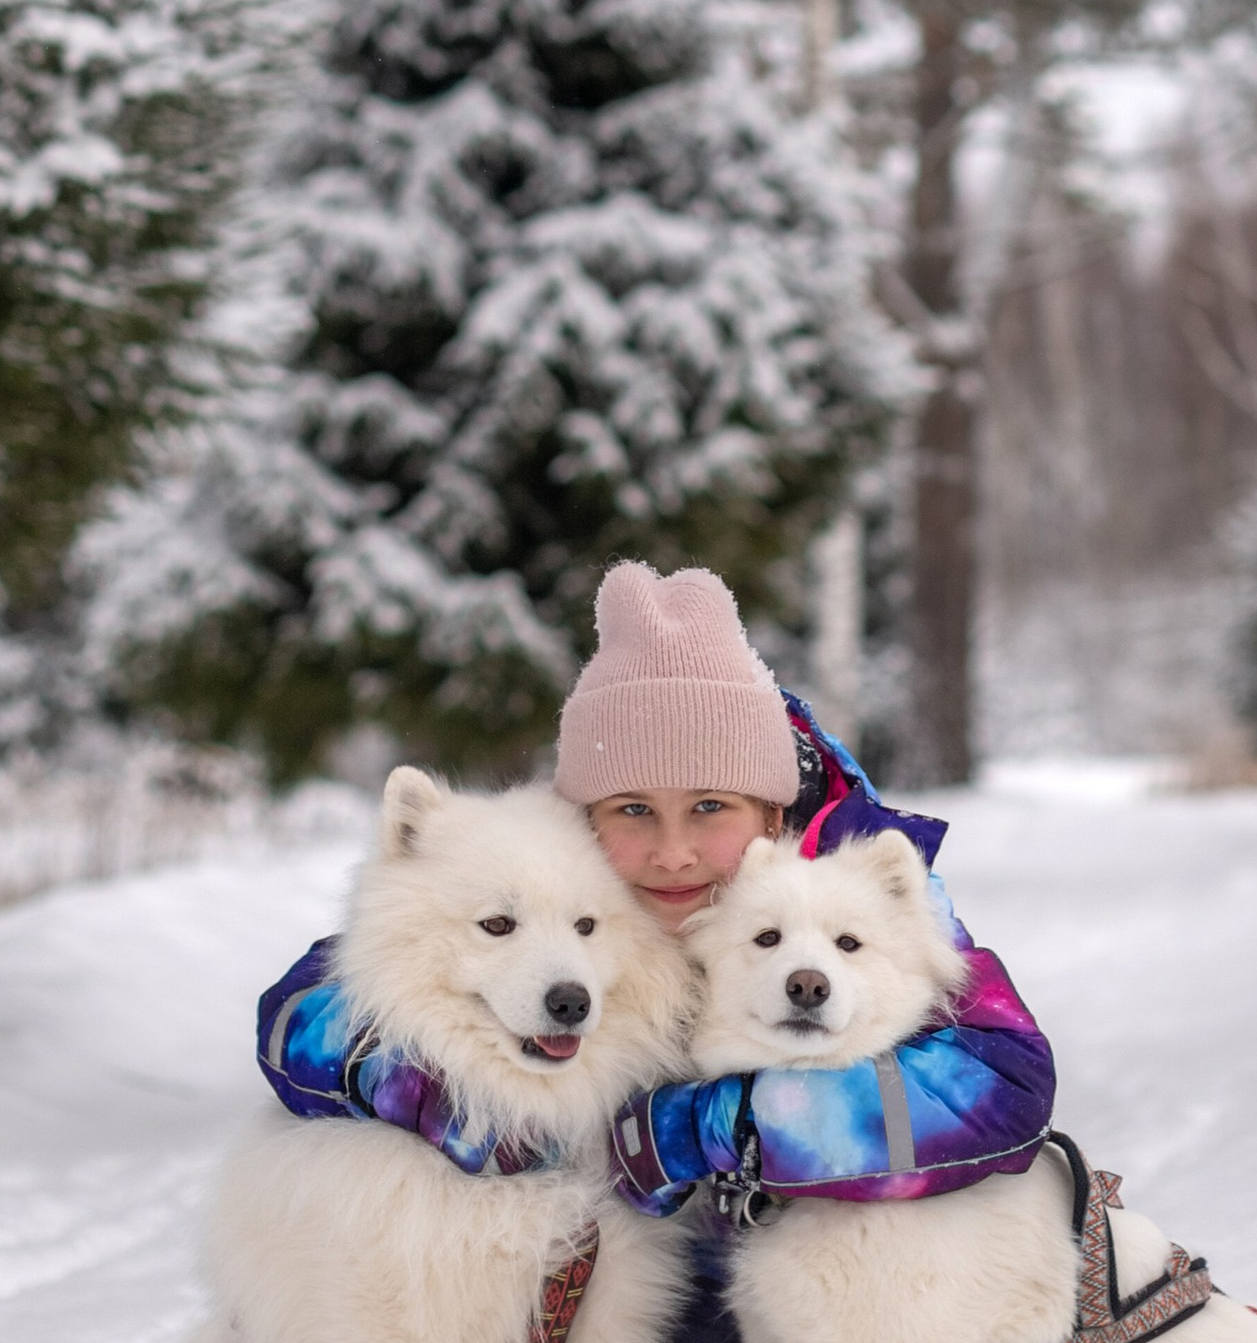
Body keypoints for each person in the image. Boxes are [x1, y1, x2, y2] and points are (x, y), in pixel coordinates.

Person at [253, 561, 1055, 1314]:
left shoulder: (848, 888)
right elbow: (300, 1016)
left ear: (772, 811)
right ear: (583, 818)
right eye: (634, 811)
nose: (673, 853)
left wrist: (706, 1127)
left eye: (710, 808)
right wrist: (445, 1102)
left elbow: (1001, 1086)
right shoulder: (582, 888)